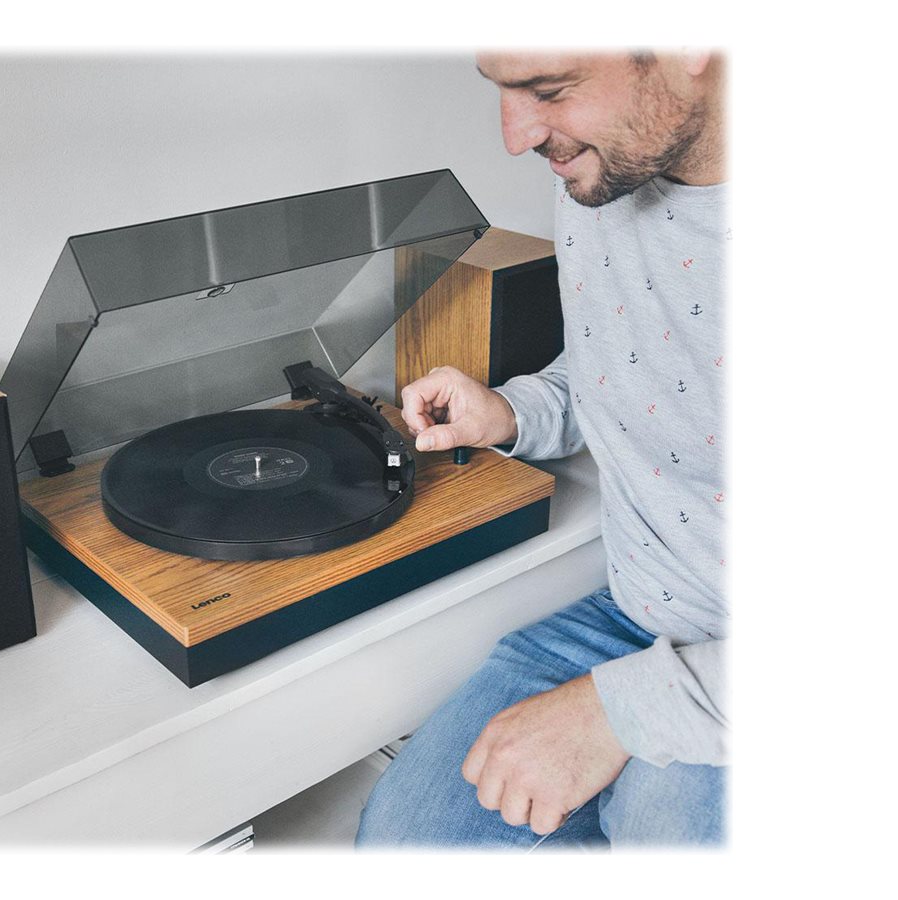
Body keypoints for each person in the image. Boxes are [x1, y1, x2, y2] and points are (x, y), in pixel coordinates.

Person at [355, 50, 728, 849]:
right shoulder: (606, 169)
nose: (516, 135)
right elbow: (641, 358)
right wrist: (512, 411)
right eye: (501, 90)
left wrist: (621, 713)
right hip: (637, 613)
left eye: (548, 90)